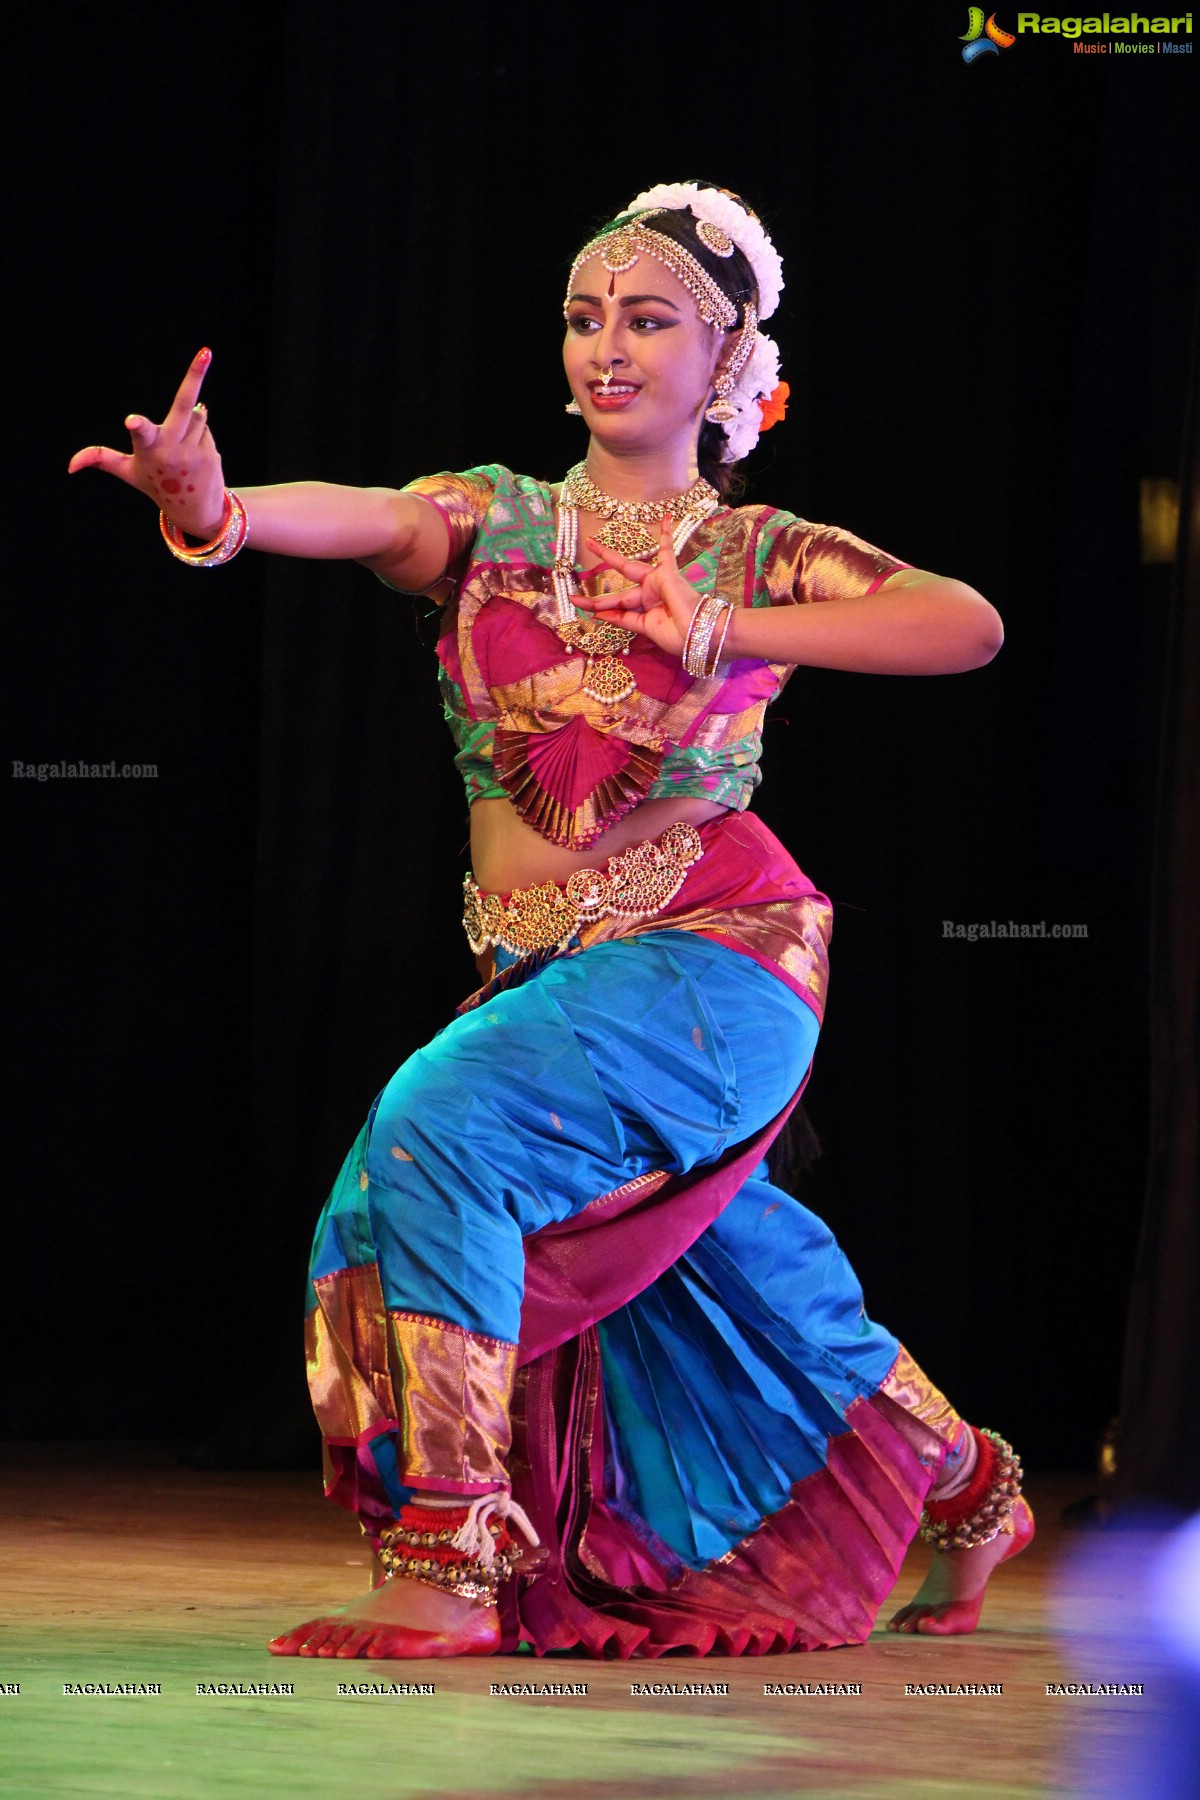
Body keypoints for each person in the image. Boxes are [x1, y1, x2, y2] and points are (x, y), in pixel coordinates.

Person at [70, 181, 1028, 1662]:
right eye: (587, 317)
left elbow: (964, 624)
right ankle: (967, 1485)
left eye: (650, 321)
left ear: (727, 363)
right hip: (552, 972)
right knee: (728, 1271)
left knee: (440, 1128)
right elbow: (374, 518)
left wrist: (728, 633)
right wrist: (222, 515)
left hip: (718, 961)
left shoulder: (752, 549)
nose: (609, 347)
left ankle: (451, 1557)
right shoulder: (494, 518)